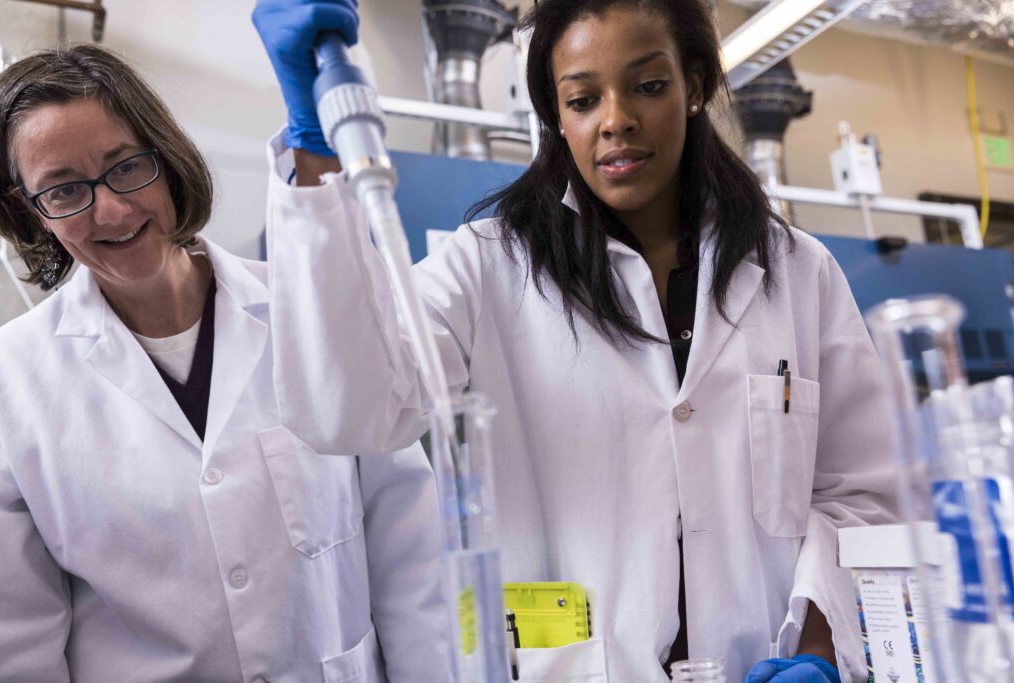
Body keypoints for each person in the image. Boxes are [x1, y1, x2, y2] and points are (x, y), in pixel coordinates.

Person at [255, 0, 898, 681]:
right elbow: (349, 406)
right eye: (583, 98)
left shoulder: (799, 272)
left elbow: (863, 495)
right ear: (556, 117)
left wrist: (820, 650)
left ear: (697, 87)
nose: (615, 119)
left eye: (648, 85)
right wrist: (317, 154)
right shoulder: (486, 266)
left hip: (762, 660)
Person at [0, 40, 450, 683]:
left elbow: (415, 565)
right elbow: (15, 647)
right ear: (28, 211)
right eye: (65, 191)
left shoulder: (311, 313)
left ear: (165, 154)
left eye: (126, 167)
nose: (113, 210)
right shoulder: (9, 382)